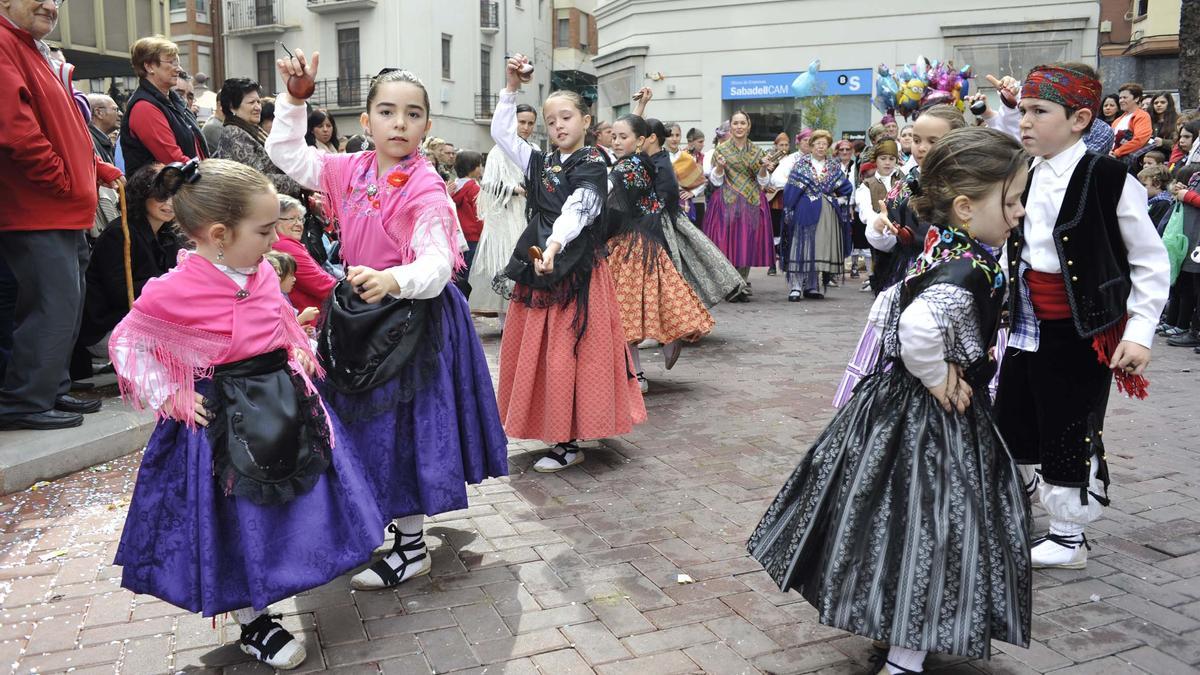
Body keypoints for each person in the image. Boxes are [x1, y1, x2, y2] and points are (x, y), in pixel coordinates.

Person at [749, 127, 1033, 672]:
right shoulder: (967, 267)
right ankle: (906, 650)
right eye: (1013, 200)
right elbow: (916, 323)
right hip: (931, 416)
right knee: (929, 524)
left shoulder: (955, 247)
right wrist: (932, 374)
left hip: (901, 409)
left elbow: (898, 306)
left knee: (891, 519)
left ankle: (890, 624)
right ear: (967, 207)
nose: (1019, 212)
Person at [108, 160, 385, 671]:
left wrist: (295, 348)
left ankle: (283, 580)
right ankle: (253, 620)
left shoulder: (258, 269)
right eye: (263, 230)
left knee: (287, 511)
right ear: (218, 234)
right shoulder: (171, 290)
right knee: (233, 525)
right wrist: (168, 394)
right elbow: (128, 344)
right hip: (218, 424)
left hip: (283, 407)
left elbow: (276, 317)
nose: (275, 240)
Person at [268, 54, 508, 590]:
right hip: (363, 313)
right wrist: (294, 99)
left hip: (413, 320)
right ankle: (384, 524)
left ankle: (411, 544)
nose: (400, 123)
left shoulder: (423, 186)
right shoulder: (347, 168)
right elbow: (285, 152)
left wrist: (394, 280)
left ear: (427, 124)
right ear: (366, 122)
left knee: (407, 430)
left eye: (413, 113)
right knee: (363, 426)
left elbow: (437, 264)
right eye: (387, 111)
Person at [995, 64, 1170, 570]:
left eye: (1038, 111)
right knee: (1015, 415)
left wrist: (1139, 334)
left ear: (1080, 119)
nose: (1025, 121)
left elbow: (1150, 261)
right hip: (1028, 324)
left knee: (1069, 423)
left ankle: (1069, 536)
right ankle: (1021, 499)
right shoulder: (1024, 171)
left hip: (1083, 330)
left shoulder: (1107, 174)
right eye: (1023, 111)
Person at [488, 52, 646, 473]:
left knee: (569, 355)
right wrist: (510, 86)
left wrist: (555, 246)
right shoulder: (539, 160)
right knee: (537, 353)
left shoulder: (592, 163)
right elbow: (502, 134)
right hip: (538, 265)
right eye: (552, 120)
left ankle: (569, 441)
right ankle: (557, 432)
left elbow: (580, 208)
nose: (558, 125)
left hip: (573, 269)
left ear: (585, 121)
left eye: (567, 117)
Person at [0, 0, 124, 430]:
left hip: (61, 207)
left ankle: (48, 389)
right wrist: (65, 179)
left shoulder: (34, 50)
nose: (50, 5)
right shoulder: (6, 45)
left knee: (65, 306)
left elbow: (68, 128)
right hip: (40, 208)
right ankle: (26, 400)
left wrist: (94, 170)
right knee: (51, 307)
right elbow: (17, 131)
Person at [604, 114, 714, 391]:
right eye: (614, 137)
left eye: (622, 137)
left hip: (632, 245)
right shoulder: (642, 162)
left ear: (641, 141)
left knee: (625, 312)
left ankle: (636, 374)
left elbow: (611, 208)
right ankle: (645, 363)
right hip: (645, 242)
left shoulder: (629, 168)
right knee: (641, 306)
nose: (616, 142)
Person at [71, 163, 184, 381]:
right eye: (162, 195)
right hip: (107, 330)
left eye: (174, 195)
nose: (169, 203)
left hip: (139, 324)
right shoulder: (120, 234)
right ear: (143, 195)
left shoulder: (168, 235)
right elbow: (121, 294)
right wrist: (172, 284)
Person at [658, 121, 745, 307]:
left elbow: (700, 182)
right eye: (670, 135)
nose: (674, 139)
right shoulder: (658, 157)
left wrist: (691, 193)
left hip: (684, 209)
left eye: (676, 135)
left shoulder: (686, 158)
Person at [469, 103, 537, 326]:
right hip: (505, 216)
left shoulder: (534, 149)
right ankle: (505, 322)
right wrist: (514, 189)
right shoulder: (499, 150)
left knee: (527, 262)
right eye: (521, 122)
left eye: (530, 123)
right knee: (504, 261)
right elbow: (487, 184)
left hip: (529, 214)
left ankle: (524, 318)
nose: (525, 127)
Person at [704, 110, 776, 300]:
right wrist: (719, 166)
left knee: (747, 244)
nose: (739, 127)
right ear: (731, 127)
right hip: (727, 201)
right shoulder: (721, 150)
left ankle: (741, 283)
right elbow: (716, 180)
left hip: (751, 201)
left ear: (748, 126)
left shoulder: (757, 151)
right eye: (735, 123)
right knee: (726, 244)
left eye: (742, 123)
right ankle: (729, 285)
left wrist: (762, 167)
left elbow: (762, 182)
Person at [777, 130, 853, 301]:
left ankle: (812, 285)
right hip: (804, 209)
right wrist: (790, 209)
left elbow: (846, 187)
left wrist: (838, 198)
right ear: (810, 146)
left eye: (824, 143)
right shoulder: (801, 164)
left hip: (827, 211)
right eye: (817, 143)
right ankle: (796, 287)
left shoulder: (833, 165)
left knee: (819, 246)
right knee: (800, 245)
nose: (821, 146)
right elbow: (790, 190)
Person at [121, 36, 208, 178]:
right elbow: (173, 159)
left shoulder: (174, 100)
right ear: (149, 66)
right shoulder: (144, 107)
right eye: (171, 62)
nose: (178, 69)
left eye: (177, 62)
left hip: (183, 191)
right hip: (158, 197)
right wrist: (208, 179)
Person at [214, 77, 305, 198]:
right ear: (232, 107)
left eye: (258, 102)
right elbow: (256, 180)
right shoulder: (234, 134)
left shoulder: (250, 129)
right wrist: (299, 181)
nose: (258, 107)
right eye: (251, 103)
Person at [271, 194, 335, 313]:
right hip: (313, 320)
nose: (299, 224)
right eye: (292, 219)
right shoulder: (284, 246)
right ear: (275, 221)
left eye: (300, 219)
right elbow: (322, 285)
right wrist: (349, 290)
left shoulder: (285, 243)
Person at [1164, 166, 1200, 348]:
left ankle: (1194, 331)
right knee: (1190, 285)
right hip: (1193, 240)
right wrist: (1180, 190)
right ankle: (1186, 328)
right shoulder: (1196, 176)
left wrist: (1188, 196)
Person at [451, 149, 485, 297]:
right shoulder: (474, 188)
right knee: (468, 273)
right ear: (474, 167)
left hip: (456, 236)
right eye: (480, 165)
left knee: (456, 272)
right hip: (473, 237)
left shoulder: (454, 186)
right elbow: (480, 214)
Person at [1111, 82, 1153, 160]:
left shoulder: (1142, 116)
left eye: (1125, 97)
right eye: (1120, 98)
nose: (1121, 101)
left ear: (1136, 98)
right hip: (1112, 156)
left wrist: (1117, 152)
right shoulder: (1117, 120)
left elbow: (1139, 140)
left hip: (1126, 161)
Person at [1139, 165, 1174, 233]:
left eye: (1144, 185)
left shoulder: (1163, 203)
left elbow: (1153, 228)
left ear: (1157, 184)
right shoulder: (1151, 200)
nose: (1140, 188)